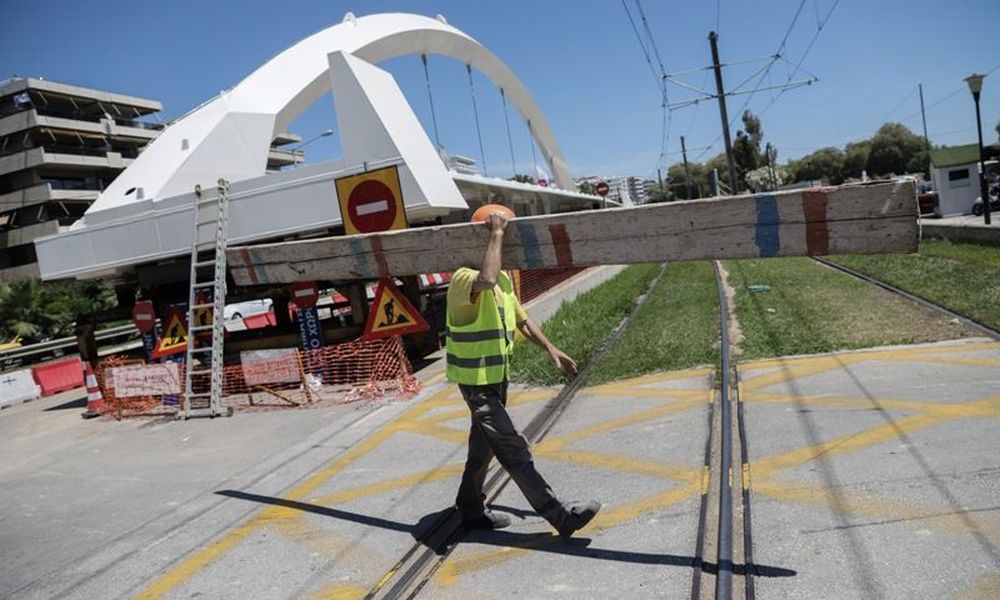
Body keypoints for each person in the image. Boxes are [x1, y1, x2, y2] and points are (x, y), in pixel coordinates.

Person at [446, 206, 601, 537]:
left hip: (495, 378)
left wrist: (551, 348)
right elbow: (484, 280)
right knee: (512, 449)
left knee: (482, 446)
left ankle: (470, 509)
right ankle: (560, 515)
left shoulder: (503, 279)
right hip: (476, 382)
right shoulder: (462, 278)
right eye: (499, 235)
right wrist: (497, 233)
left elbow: (521, 319)